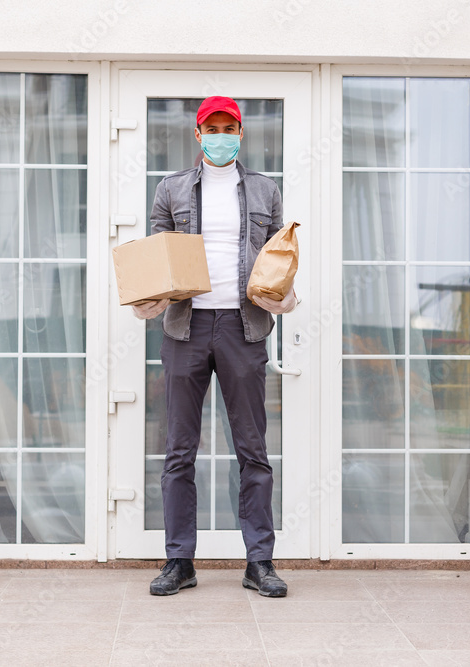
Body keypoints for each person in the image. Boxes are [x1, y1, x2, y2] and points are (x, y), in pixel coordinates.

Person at [133, 96, 297, 597]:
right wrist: (148, 296)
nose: (221, 135)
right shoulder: (171, 189)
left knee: (253, 451)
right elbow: (158, 258)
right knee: (179, 451)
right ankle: (179, 561)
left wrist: (285, 294)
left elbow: (277, 257)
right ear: (198, 134)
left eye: (230, 127)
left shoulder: (266, 190)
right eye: (213, 127)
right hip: (186, 328)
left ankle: (259, 562)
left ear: (240, 134)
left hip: (244, 329)